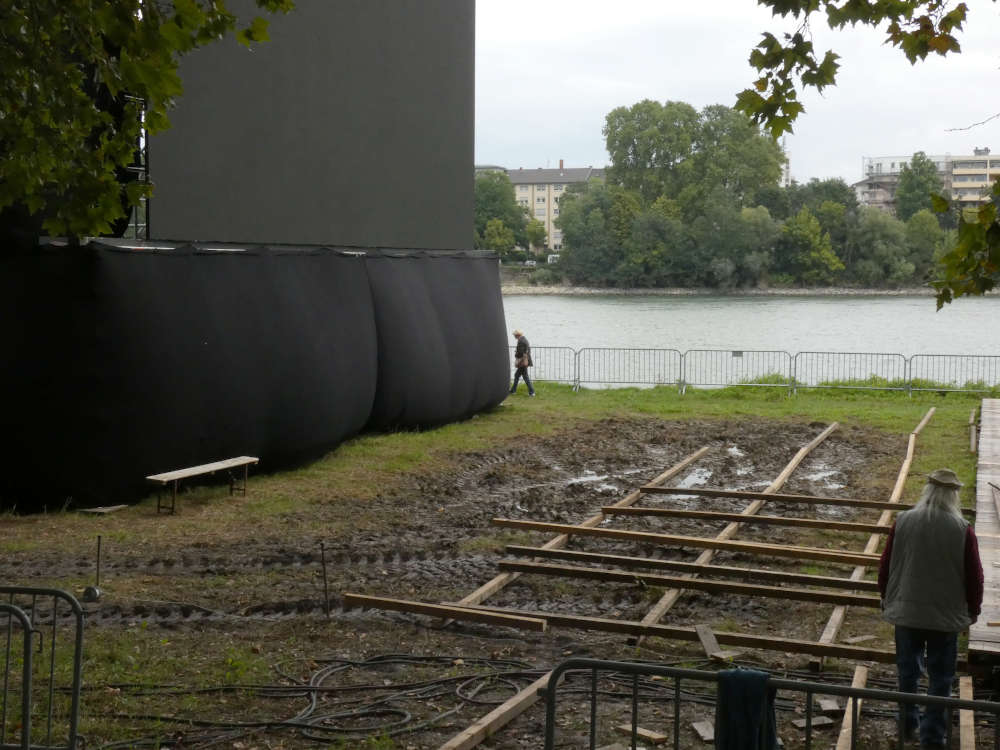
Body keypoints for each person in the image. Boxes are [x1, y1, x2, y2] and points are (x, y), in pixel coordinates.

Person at [878, 468, 983, 748]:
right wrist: (974, 609)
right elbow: (974, 575)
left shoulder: (904, 521)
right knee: (941, 678)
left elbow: (885, 565)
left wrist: (886, 597)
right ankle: (932, 736)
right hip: (944, 618)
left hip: (906, 613)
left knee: (907, 672)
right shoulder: (962, 529)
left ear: (927, 490)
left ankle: (907, 724)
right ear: (953, 496)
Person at [509, 329, 535, 396]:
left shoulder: (521, 341)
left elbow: (521, 352)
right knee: (518, 375)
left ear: (517, 335)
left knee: (524, 377)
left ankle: (532, 392)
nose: (514, 336)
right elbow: (527, 351)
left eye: (514, 335)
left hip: (522, 362)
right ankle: (513, 390)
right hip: (525, 361)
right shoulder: (524, 339)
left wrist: (516, 356)